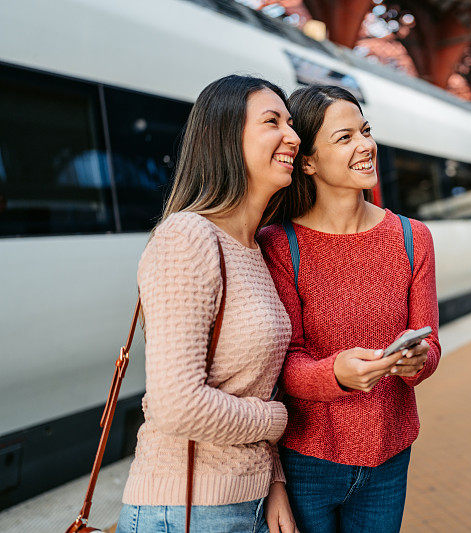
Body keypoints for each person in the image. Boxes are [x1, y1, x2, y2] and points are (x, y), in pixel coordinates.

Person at [117, 75, 300, 533]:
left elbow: (253, 385)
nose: (293, 137)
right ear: (225, 137)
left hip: (248, 502)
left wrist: (275, 481)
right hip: (185, 509)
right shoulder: (188, 237)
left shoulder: (254, 248)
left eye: (291, 123)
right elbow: (176, 404)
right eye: (272, 121)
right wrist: (278, 420)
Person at [257, 85, 441, 533]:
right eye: (345, 138)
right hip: (306, 458)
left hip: (390, 455)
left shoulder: (412, 238)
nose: (366, 145)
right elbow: (280, 364)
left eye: (366, 130)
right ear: (307, 161)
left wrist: (417, 360)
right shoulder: (280, 244)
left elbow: (430, 343)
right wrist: (336, 375)